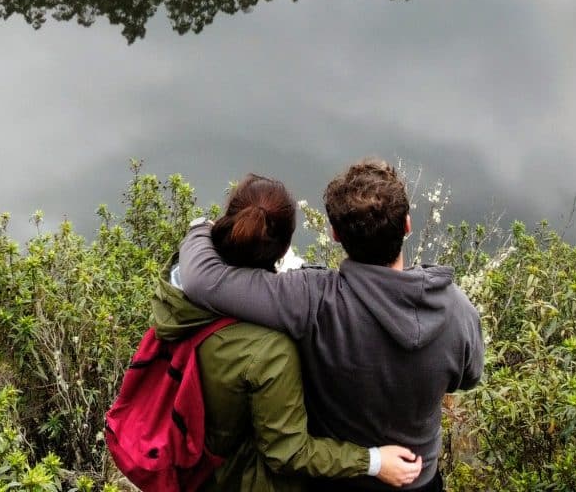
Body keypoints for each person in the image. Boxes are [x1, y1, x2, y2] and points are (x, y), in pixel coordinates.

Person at [176, 160, 483, 492]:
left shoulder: (312, 300)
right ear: (407, 225)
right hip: (417, 479)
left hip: (334, 480)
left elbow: (202, 281)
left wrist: (201, 227)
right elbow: (468, 378)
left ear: (335, 234)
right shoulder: (457, 310)